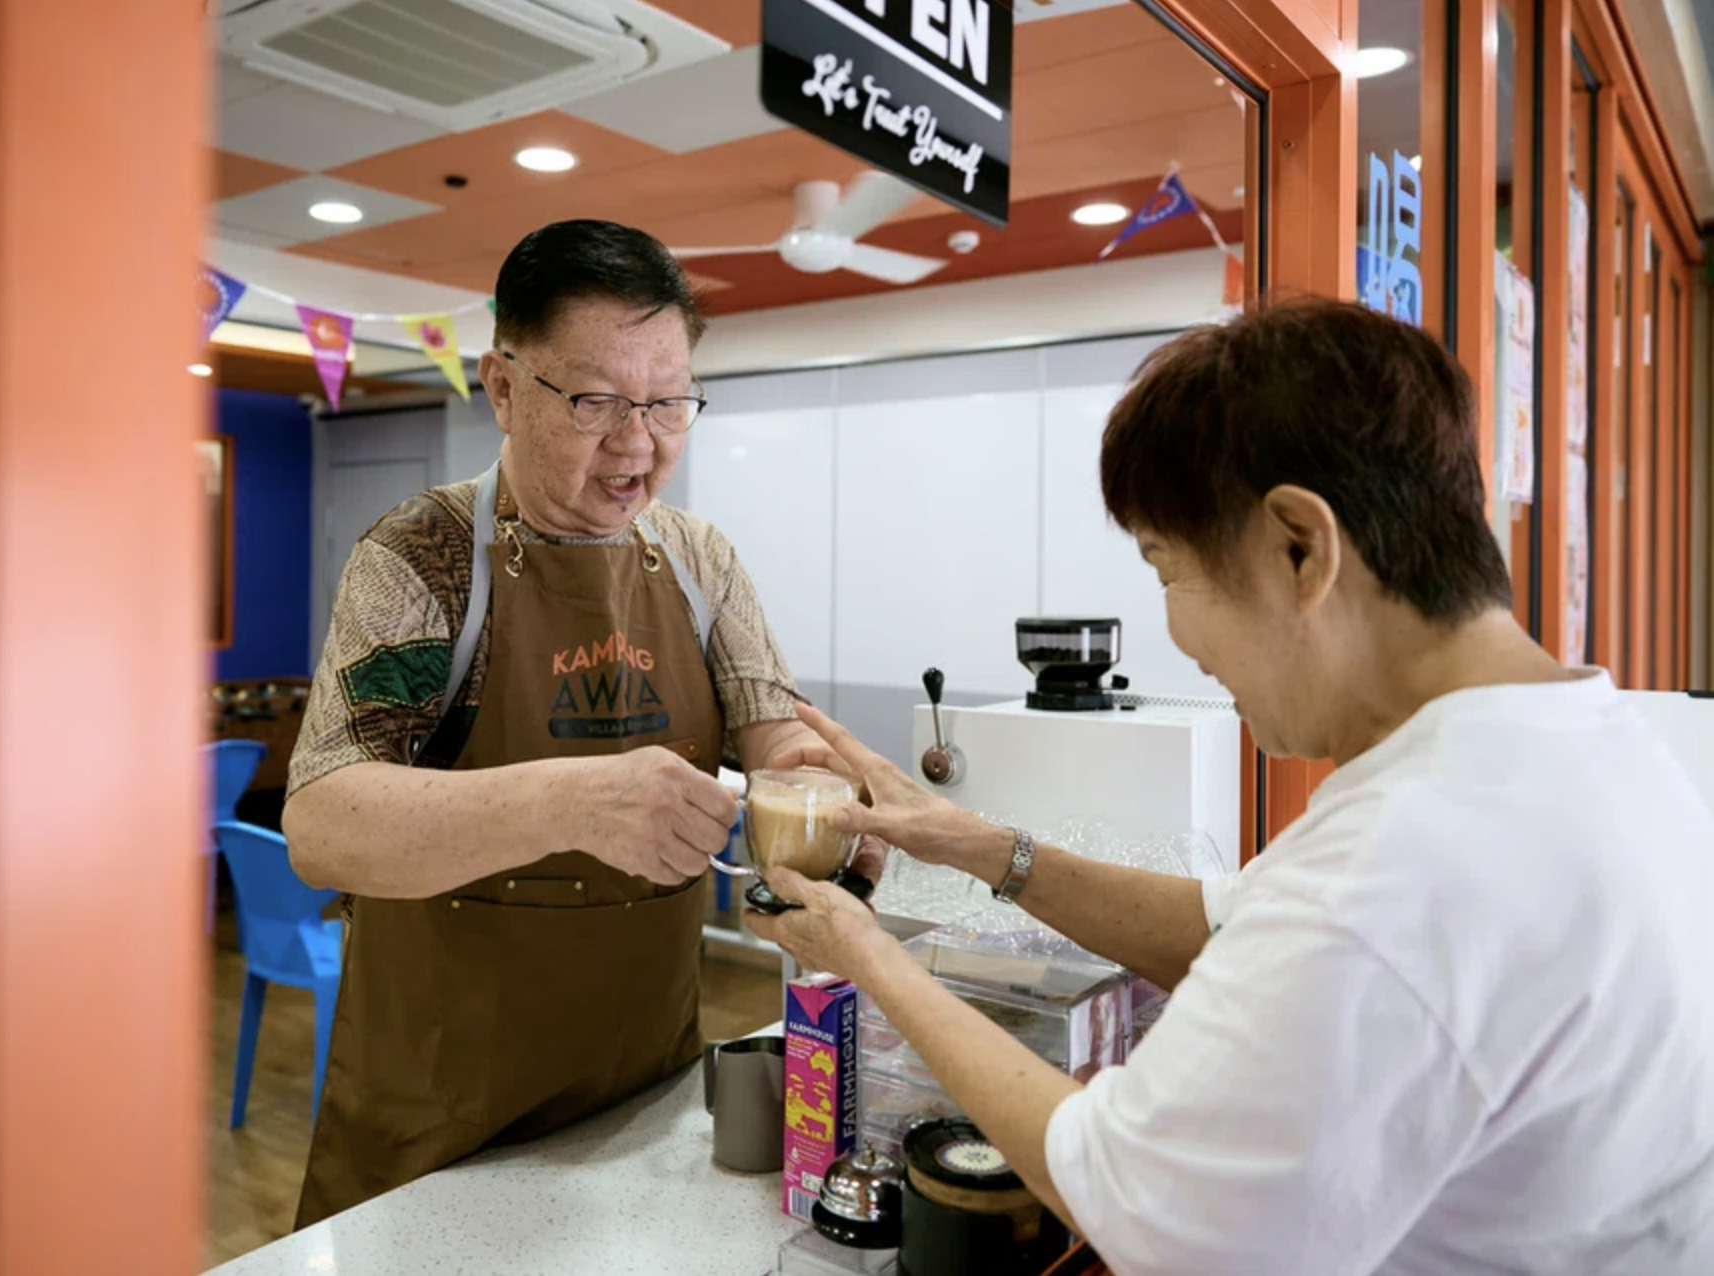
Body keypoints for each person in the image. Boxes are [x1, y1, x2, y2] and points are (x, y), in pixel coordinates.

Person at [747, 298, 1714, 1275]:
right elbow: (1223, 927)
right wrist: (980, 845)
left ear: (1300, 544)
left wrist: (865, 954)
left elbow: (1127, 1192)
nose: (1182, 639)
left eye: (1166, 571)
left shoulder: (1403, 861)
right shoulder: (1596, 747)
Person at [282, 219, 868, 1226]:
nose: (638, 443)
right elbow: (322, 822)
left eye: (668, 401)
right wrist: (574, 799)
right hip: (443, 1117)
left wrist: (818, 784)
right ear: (504, 387)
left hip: (644, 1094)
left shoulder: (698, 561)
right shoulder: (421, 557)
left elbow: (772, 727)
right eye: (594, 399)